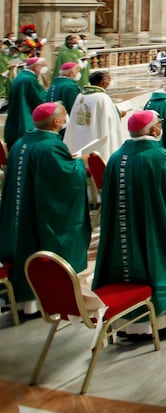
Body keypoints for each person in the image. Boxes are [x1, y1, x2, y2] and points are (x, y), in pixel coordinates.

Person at [93, 110, 166, 337]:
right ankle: (163, 322)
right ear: (155, 129)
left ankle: (127, 323)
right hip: (153, 229)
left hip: (122, 233)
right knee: (158, 261)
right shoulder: (160, 157)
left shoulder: (115, 158)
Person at [0, 102, 89, 316]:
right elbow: (66, 180)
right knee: (40, 243)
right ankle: (39, 302)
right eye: (64, 115)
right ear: (57, 122)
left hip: (21, 210)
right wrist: (78, 164)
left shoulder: (21, 142)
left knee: (24, 244)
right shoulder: (49, 147)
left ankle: (24, 301)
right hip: (39, 213)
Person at [64, 69, 126, 159]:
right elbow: (109, 118)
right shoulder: (102, 97)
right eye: (109, 79)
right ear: (104, 82)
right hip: (96, 134)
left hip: (80, 133)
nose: (110, 82)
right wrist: (119, 113)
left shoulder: (80, 95)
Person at [6, 56, 47, 148]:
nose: (45, 68)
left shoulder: (22, 75)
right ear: (36, 67)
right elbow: (39, 99)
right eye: (43, 65)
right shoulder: (29, 79)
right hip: (26, 113)